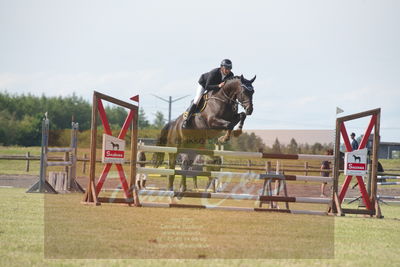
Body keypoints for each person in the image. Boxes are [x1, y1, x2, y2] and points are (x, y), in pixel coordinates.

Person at [182, 59, 234, 129]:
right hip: (204, 84)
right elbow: (207, 86)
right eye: (226, 68)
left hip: (216, 88)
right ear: (221, 67)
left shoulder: (231, 75)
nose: (228, 70)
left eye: (229, 69)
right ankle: (186, 119)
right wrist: (218, 86)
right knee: (197, 99)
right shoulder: (214, 72)